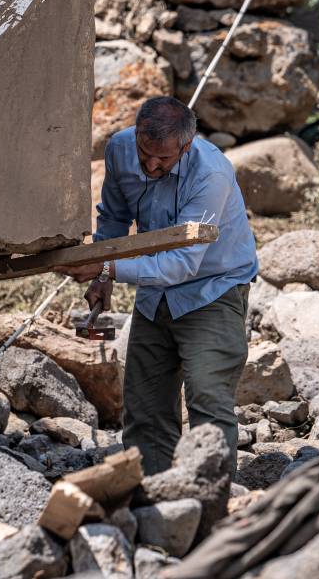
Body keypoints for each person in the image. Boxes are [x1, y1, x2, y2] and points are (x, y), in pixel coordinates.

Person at [56, 96, 258, 475]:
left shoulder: (211, 174)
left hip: (212, 287)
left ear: (187, 145)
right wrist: (103, 277)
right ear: (136, 135)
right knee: (145, 406)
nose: (150, 165)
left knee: (207, 395)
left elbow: (182, 264)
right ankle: (152, 495)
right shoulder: (119, 148)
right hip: (155, 293)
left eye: (163, 159)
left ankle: (209, 493)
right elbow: (114, 217)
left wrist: (108, 267)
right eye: (144, 152)